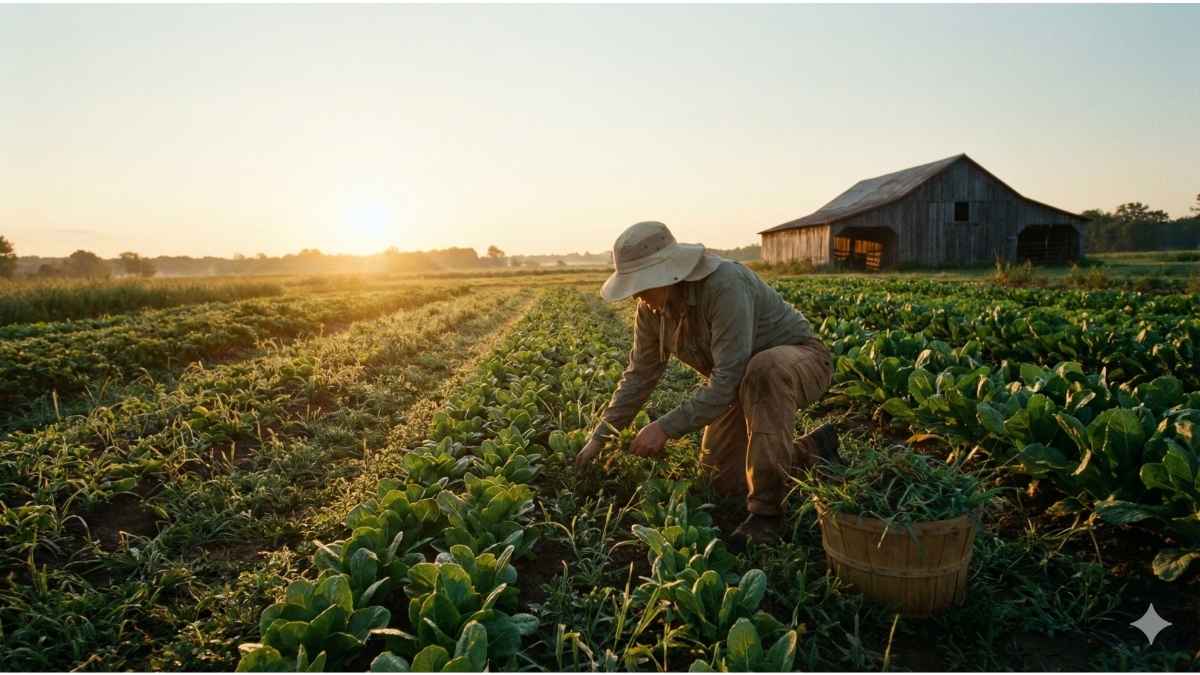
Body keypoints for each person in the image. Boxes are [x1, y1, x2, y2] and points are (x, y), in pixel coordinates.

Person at [575, 221, 837, 548]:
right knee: (722, 480)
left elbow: (728, 377)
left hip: (797, 363)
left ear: (668, 272)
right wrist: (600, 438)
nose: (638, 296)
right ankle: (812, 449)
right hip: (740, 384)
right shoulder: (650, 308)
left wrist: (665, 428)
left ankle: (766, 516)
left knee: (763, 369)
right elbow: (640, 374)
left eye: (642, 286)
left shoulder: (724, 284)